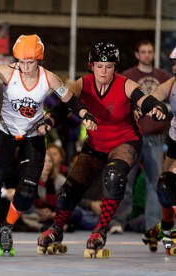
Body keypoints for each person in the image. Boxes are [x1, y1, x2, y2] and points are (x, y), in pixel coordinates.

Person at [0, 34, 97, 255]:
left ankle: (6, 228)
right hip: (5, 133)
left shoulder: (49, 78)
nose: (26, 67)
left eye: (31, 62)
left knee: (27, 192)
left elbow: (70, 100)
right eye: (22, 62)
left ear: (39, 60)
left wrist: (86, 115)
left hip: (33, 135)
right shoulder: (6, 71)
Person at [36, 42, 168, 257]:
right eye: (99, 66)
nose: (103, 71)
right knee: (69, 190)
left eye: (108, 66)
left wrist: (156, 107)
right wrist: (49, 121)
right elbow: (63, 106)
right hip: (95, 144)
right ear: (91, 66)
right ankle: (56, 229)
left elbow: (144, 100)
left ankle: (101, 229)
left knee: (114, 176)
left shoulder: (125, 83)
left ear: (115, 67)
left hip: (125, 142)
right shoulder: (83, 83)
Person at [110, 40, 171, 234]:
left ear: (154, 54)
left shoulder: (163, 76)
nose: (147, 55)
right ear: (137, 55)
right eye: (143, 52)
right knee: (125, 179)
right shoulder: (127, 76)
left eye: (150, 52)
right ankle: (118, 222)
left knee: (155, 182)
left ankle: (152, 226)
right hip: (131, 136)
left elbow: (171, 104)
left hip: (155, 137)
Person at [141, 46, 176, 254]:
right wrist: (155, 107)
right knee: (164, 185)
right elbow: (152, 96)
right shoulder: (171, 85)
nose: (174, 67)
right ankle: (167, 227)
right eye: (173, 63)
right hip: (173, 139)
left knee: (172, 180)